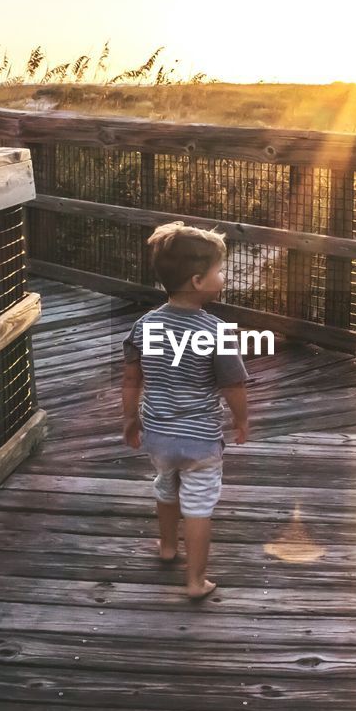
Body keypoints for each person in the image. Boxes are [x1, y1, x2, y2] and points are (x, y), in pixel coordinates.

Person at [120, 220, 250, 601]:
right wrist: (241, 419)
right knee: (198, 505)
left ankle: (166, 547)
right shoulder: (217, 331)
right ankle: (195, 581)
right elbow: (234, 385)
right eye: (218, 272)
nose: (222, 277)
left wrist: (130, 418)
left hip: (158, 436)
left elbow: (131, 380)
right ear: (197, 281)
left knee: (165, 486)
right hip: (200, 442)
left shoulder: (143, 326)